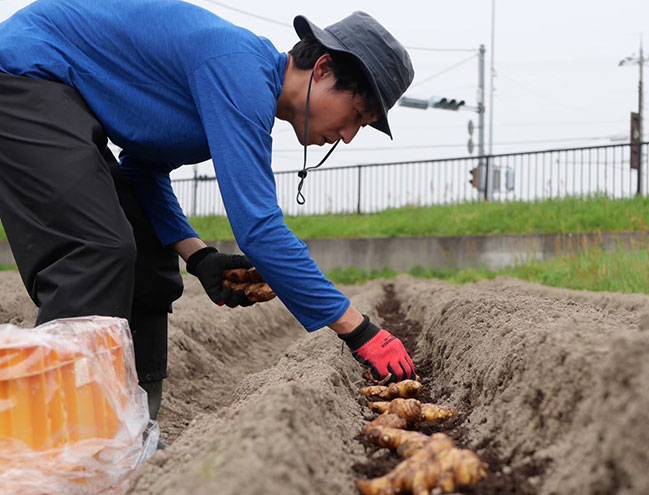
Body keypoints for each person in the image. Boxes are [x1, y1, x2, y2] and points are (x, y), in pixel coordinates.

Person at [0, 0, 417, 430]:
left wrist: (200, 258)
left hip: (62, 98)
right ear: (324, 69)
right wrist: (359, 330)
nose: (347, 137)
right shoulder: (239, 69)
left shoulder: (238, 82)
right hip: (22, 74)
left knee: (151, 254)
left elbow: (143, 171)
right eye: (357, 116)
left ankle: (130, 430)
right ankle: (56, 437)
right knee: (96, 250)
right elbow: (259, 228)